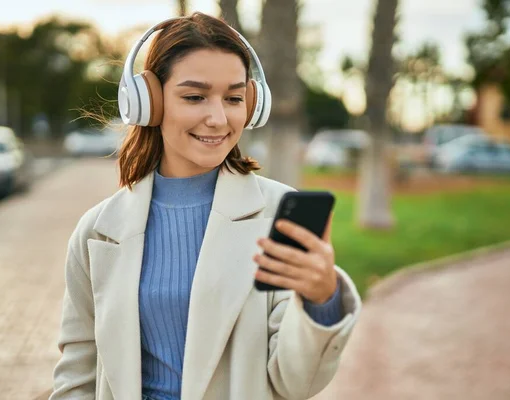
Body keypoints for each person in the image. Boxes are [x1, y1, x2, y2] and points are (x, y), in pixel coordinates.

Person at [50, 12, 361, 400]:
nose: (217, 118)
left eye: (233, 98)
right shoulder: (96, 230)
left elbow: (296, 383)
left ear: (252, 104)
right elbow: (77, 374)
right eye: (195, 97)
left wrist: (320, 301)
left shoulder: (277, 214)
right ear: (149, 101)